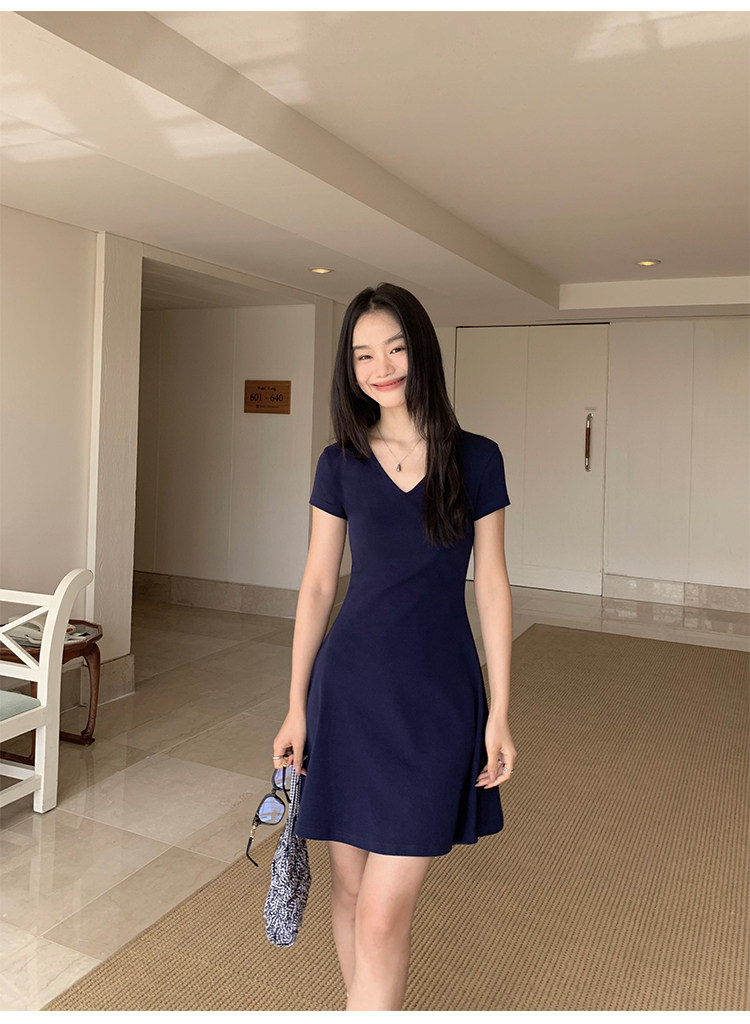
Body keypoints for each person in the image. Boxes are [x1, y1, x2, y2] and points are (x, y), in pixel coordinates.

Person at [272, 282, 515, 1011]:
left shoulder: (477, 459)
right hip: (348, 697)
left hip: (437, 702)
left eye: (396, 349)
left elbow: (492, 586)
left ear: (422, 352)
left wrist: (501, 711)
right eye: (363, 355)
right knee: (349, 894)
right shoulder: (339, 463)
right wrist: (295, 706)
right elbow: (318, 585)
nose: (381, 368)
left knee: (382, 914)